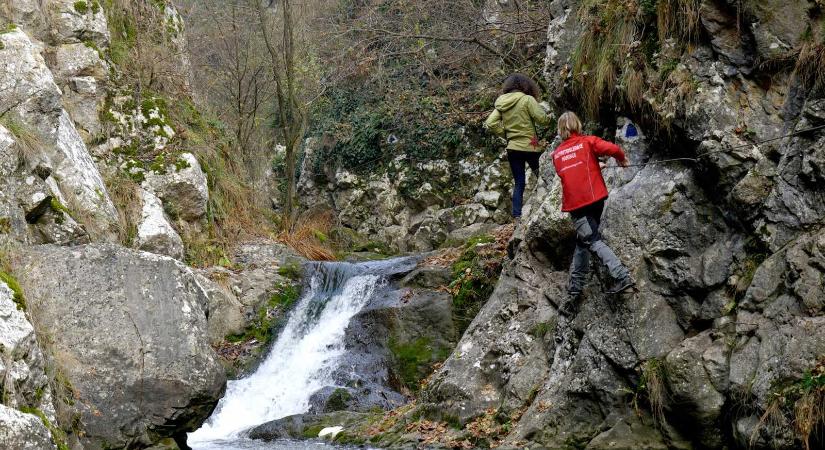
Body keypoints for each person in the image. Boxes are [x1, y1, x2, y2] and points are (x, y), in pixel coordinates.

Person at [551, 111, 634, 315]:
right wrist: (621, 161)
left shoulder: (557, 155)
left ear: (561, 130)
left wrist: (593, 165)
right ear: (577, 126)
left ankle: (622, 275)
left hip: (578, 207)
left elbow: (569, 173)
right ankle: (574, 293)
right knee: (583, 243)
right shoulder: (588, 142)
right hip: (596, 200)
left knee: (592, 241)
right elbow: (613, 149)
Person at [484, 73, 550, 221]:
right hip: (530, 147)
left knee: (519, 182)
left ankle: (517, 215)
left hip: (513, 148)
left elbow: (490, 123)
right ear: (525, 85)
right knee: (542, 175)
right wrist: (550, 117)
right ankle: (549, 203)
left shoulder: (501, 103)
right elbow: (542, 119)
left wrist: (506, 135)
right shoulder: (527, 99)